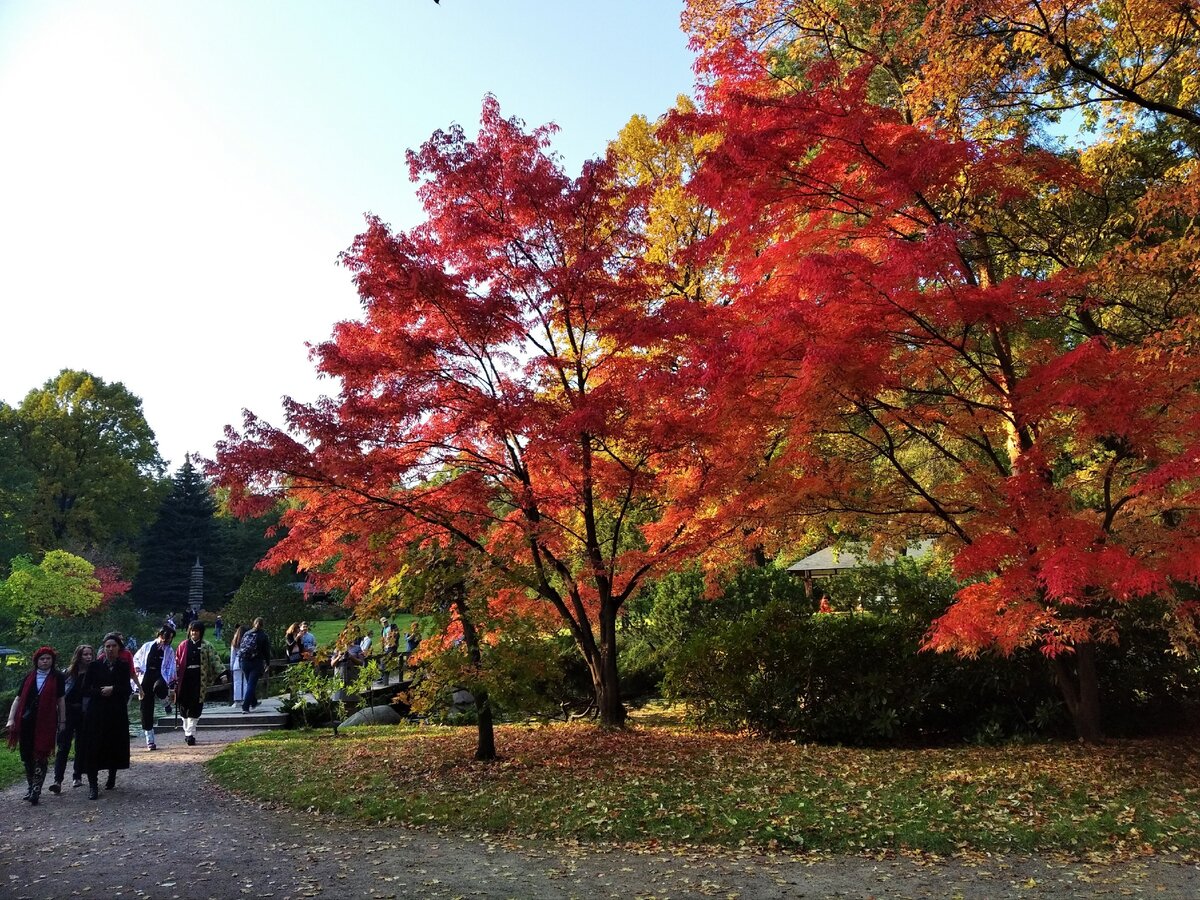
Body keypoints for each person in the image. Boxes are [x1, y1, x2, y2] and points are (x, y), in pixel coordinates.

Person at [6, 646, 66, 805]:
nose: (45, 661)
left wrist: (62, 721)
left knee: (41, 754)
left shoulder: (58, 677)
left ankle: (36, 790)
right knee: (27, 756)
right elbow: (18, 699)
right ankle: (30, 785)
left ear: (52, 661)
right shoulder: (29, 677)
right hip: (26, 722)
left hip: (46, 722)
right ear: (36, 661)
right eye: (42, 659)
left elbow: (61, 700)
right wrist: (11, 719)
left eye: (48, 659)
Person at [80, 633, 132, 799]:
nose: (110, 649)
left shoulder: (123, 666)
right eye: (107, 646)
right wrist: (101, 691)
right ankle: (93, 785)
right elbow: (85, 689)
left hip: (116, 712)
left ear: (119, 648)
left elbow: (127, 689)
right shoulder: (95, 666)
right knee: (93, 746)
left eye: (113, 646)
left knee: (114, 744)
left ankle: (112, 775)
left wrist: (114, 689)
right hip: (97, 711)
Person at [50, 644, 93, 793]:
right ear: (78, 656)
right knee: (63, 746)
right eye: (85, 654)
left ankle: (77, 775)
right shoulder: (67, 674)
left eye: (90, 654)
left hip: (84, 713)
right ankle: (58, 780)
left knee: (81, 745)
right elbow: (60, 695)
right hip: (67, 712)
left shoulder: (93, 673)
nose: (88, 657)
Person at [174, 621, 221, 745]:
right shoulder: (183, 645)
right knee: (183, 706)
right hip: (185, 679)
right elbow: (176, 661)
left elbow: (215, 660)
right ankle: (187, 731)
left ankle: (191, 734)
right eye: (192, 630)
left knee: (196, 706)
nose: (194, 633)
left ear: (201, 632)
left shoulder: (207, 645)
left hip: (199, 679)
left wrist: (223, 673)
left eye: (196, 630)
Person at [132, 626, 177, 751]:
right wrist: (136, 667)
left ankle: (165, 701)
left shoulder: (169, 650)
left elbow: (172, 665)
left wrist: (172, 680)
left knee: (159, 687)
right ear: (160, 635)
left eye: (168, 640)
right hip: (145, 677)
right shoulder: (147, 646)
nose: (165, 641)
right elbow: (136, 658)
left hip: (160, 675)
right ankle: (150, 739)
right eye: (164, 638)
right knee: (145, 708)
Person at [238, 617, 271, 713]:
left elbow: (241, 646)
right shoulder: (263, 635)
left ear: (254, 623)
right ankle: (245, 706)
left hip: (244, 662)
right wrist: (267, 663)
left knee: (249, 684)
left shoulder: (247, 633)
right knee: (251, 685)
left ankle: (253, 702)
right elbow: (266, 651)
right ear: (262, 625)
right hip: (256, 662)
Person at [228, 624, 246, 707]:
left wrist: (231, 666)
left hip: (237, 663)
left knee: (237, 682)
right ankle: (245, 699)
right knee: (245, 682)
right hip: (246, 662)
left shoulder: (234, 641)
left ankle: (237, 701)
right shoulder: (246, 640)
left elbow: (233, 655)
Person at [379, 616, 399, 685]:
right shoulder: (382, 630)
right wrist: (382, 648)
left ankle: (384, 679)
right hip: (385, 647)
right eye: (383, 622)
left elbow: (397, 634)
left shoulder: (393, 626)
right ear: (381, 623)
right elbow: (383, 639)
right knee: (382, 660)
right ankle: (383, 677)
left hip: (391, 647)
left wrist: (393, 642)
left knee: (385, 661)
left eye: (386, 622)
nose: (385, 623)